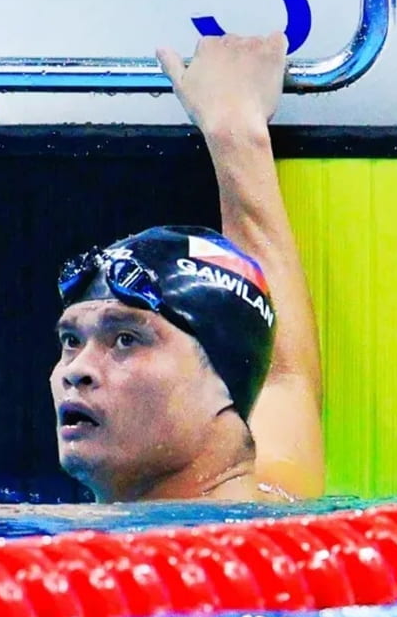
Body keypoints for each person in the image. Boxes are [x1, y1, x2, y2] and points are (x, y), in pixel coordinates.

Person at [49, 31, 324, 503]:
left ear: (228, 386)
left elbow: (271, 372)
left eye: (126, 339)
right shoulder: (283, 501)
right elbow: (282, 375)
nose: (76, 371)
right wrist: (234, 131)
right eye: (71, 340)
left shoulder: (22, 536)